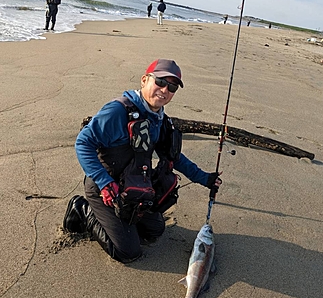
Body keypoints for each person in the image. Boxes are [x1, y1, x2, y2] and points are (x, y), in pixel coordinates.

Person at [63, 59, 222, 264]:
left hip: (132, 188)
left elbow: (173, 158)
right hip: (105, 189)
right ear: (145, 80)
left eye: (172, 87)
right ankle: (82, 209)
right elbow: (83, 143)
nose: (165, 90)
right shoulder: (118, 111)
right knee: (128, 252)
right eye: (160, 82)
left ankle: (119, 222)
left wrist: (205, 179)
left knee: (155, 230)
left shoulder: (160, 120)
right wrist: (103, 183)